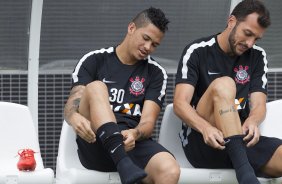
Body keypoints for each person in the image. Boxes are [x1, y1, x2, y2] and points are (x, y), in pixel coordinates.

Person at [64, 7, 180, 184]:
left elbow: (148, 122)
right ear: (131, 28)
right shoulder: (94, 59)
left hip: (131, 143)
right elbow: (74, 101)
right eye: (146, 38)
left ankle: (125, 162)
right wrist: (73, 116)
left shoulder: (156, 73)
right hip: (96, 142)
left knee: (170, 170)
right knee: (96, 87)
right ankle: (123, 163)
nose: (148, 47)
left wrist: (135, 133)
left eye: (155, 44)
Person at [173, 0, 282, 184]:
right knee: (224, 84)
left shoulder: (257, 56)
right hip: (204, 140)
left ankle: (243, 168)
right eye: (247, 34)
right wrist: (205, 127)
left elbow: (259, 104)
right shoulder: (197, 51)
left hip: (240, 138)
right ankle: (245, 175)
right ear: (231, 21)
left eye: (256, 39)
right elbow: (180, 104)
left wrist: (253, 121)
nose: (250, 43)